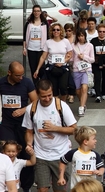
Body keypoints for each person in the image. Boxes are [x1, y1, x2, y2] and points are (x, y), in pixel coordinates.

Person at [22, 79, 77, 192]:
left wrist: (55, 128)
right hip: (41, 155)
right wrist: (29, 144)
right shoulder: (31, 109)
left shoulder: (62, 106)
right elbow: (29, 131)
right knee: (42, 189)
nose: (47, 99)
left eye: (49, 95)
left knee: (60, 189)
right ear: (37, 94)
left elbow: (74, 129)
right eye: (43, 96)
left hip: (60, 155)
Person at [0, 62, 37, 192]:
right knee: (6, 152)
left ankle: (26, 186)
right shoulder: (1, 83)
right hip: (7, 124)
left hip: (23, 124)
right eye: (17, 75)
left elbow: (35, 101)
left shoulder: (27, 83)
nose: (20, 78)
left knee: (25, 154)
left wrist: (23, 110)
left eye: (22, 75)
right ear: (9, 73)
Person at [33, 23, 73, 102]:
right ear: (51, 31)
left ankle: (63, 104)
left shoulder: (66, 41)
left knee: (63, 87)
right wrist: (37, 69)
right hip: (52, 67)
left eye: (58, 30)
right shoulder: (48, 42)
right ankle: (56, 105)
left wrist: (63, 62)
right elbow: (43, 57)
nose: (56, 31)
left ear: (61, 31)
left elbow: (70, 54)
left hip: (63, 68)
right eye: (54, 30)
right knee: (54, 89)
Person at [23, 5, 49, 84]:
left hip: (41, 49)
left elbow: (47, 37)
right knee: (33, 68)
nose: (36, 12)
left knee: (41, 68)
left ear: (40, 12)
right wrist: (24, 48)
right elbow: (25, 37)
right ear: (33, 12)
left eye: (38, 11)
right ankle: (36, 87)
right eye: (35, 11)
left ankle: (42, 84)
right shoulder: (29, 23)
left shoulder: (44, 23)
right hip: (31, 48)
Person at [72, 30, 95, 117]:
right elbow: (71, 58)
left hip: (86, 69)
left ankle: (81, 107)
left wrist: (84, 57)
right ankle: (82, 102)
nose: (80, 37)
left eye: (82, 36)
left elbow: (92, 59)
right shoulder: (73, 46)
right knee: (78, 90)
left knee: (84, 88)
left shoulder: (90, 46)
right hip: (76, 69)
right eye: (79, 36)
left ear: (85, 36)